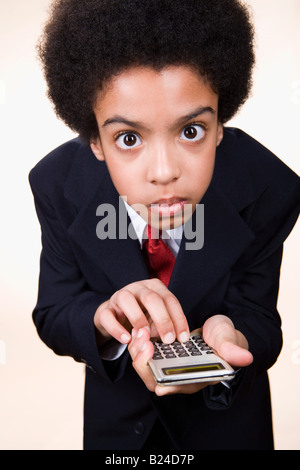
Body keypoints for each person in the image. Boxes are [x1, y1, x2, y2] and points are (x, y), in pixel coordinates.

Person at [29, 0, 299, 450]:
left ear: (219, 125)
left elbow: (262, 320)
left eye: (190, 131)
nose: (164, 171)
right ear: (95, 140)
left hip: (227, 430)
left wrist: (229, 339)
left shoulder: (269, 187)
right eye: (128, 139)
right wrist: (104, 319)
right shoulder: (58, 185)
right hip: (118, 432)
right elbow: (53, 312)